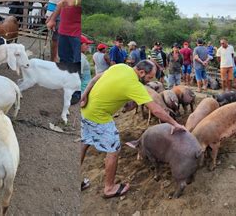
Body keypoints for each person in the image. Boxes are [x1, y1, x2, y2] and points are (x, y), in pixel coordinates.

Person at [79, 60, 186, 197]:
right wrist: (175, 124)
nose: (148, 81)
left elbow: (96, 77)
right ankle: (109, 188)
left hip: (86, 111)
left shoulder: (120, 66)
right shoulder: (134, 85)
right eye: (148, 78)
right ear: (141, 72)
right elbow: (156, 111)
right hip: (99, 117)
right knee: (114, 149)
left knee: (85, 143)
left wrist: (85, 94)